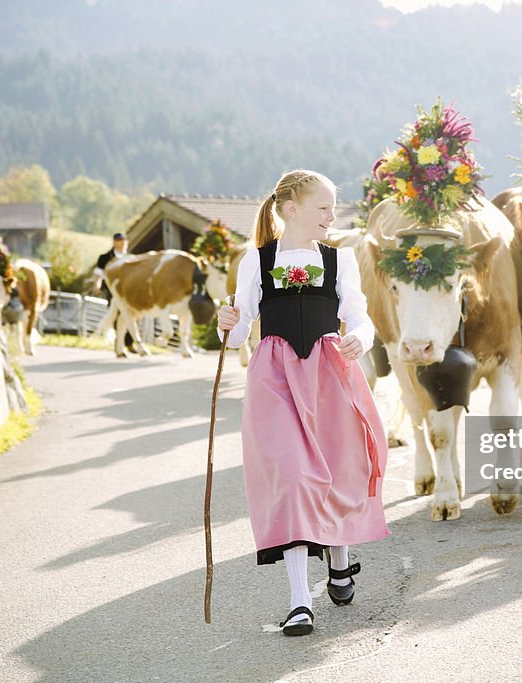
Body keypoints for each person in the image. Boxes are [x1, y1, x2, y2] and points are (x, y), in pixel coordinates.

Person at [216, 170, 390, 636]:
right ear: (291, 208)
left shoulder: (341, 260)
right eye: (323, 208)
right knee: (293, 477)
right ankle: (299, 601)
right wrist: (226, 320)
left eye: (334, 208)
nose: (332, 216)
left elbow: (359, 316)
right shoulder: (254, 261)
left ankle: (340, 558)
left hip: (329, 375)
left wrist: (358, 339)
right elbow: (235, 336)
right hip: (274, 377)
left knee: (335, 472)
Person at [92, 232, 135, 352]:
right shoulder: (105, 258)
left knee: (131, 315)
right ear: (114, 242)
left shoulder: (131, 258)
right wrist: (97, 285)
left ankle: (130, 342)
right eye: (120, 240)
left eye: (124, 240)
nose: (122, 243)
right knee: (116, 315)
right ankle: (121, 342)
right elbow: (98, 274)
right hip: (112, 290)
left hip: (129, 291)